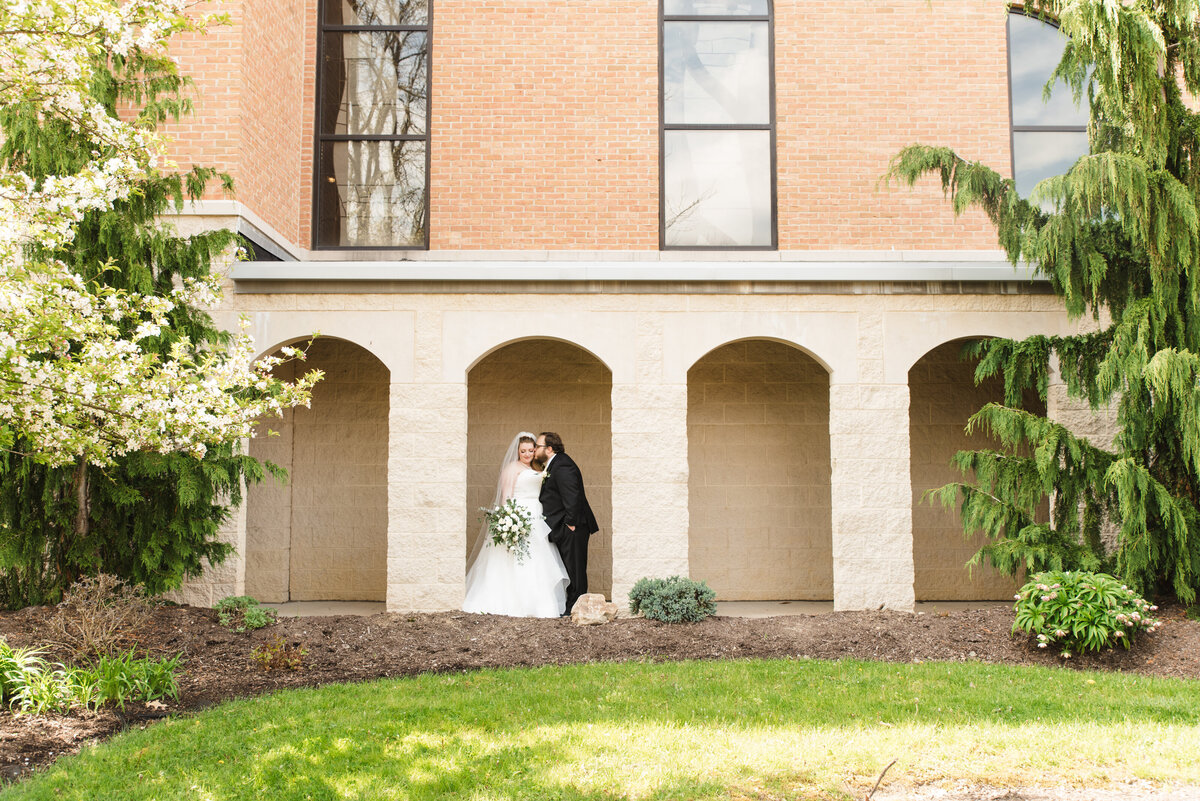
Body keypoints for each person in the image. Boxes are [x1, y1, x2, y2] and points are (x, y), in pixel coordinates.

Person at [463, 432, 569, 618]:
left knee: (539, 557)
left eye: (531, 450)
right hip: (520, 514)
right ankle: (514, 602)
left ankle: (539, 603)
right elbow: (505, 496)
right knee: (516, 559)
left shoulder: (539, 466)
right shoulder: (512, 468)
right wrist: (509, 519)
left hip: (537, 516)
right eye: (523, 451)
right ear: (518, 451)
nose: (527, 454)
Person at [535, 432, 599, 616]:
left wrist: (570, 523)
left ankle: (576, 609)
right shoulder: (554, 463)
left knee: (575, 570)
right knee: (570, 568)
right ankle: (572, 607)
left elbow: (572, 495)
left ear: (549, 449)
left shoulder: (562, 465)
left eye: (538, 446)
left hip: (573, 527)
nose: (535, 450)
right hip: (565, 526)